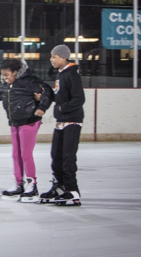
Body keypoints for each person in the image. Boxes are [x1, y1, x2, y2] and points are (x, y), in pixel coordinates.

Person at [0, 59, 53, 202]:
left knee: (26, 154)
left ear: (16, 72)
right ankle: (19, 184)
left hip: (29, 120)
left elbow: (47, 91)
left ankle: (32, 185)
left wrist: (42, 107)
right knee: (16, 154)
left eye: (7, 75)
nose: (4, 78)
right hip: (14, 122)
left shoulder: (29, 82)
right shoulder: (5, 86)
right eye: (3, 75)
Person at [40, 44, 85, 206]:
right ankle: (59, 187)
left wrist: (61, 108)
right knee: (56, 156)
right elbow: (62, 95)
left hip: (72, 121)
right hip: (61, 122)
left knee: (67, 157)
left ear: (63, 57)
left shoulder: (72, 75)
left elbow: (79, 99)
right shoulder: (61, 75)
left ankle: (72, 190)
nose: (51, 60)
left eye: (54, 57)